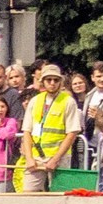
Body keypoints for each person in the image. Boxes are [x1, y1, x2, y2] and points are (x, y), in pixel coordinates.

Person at [17, 65, 79, 193]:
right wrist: (29, 158)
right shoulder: (35, 101)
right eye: (48, 80)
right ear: (42, 81)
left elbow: (72, 133)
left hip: (59, 158)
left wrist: (55, 159)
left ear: (60, 82)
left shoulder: (68, 102)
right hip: (36, 157)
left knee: (59, 195)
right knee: (28, 193)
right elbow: (27, 131)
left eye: (56, 80)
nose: (52, 83)